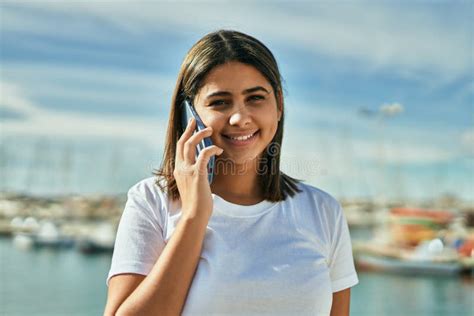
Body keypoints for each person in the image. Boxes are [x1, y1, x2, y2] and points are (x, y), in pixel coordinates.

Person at [104, 29, 358, 316]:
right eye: (220, 102)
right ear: (191, 114)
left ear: (279, 105)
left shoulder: (323, 211)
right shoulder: (151, 200)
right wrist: (194, 216)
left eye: (255, 98)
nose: (239, 118)